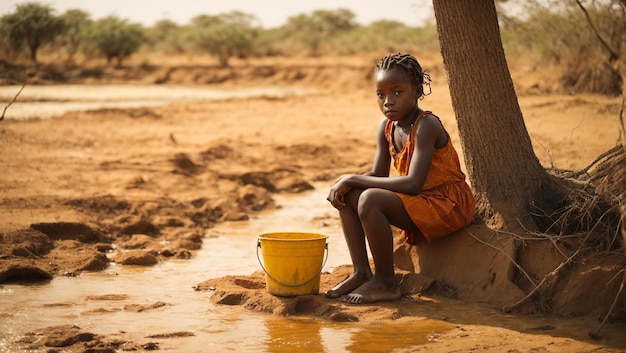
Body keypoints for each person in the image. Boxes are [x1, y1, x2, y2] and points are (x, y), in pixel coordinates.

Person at [325, 52, 475, 304]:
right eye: (380, 94)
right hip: (422, 202)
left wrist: (353, 177)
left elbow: (413, 184)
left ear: (417, 90)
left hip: (448, 204)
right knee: (349, 194)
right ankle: (362, 272)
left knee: (369, 198)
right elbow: (378, 175)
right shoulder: (386, 127)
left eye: (397, 92)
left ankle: (386, 283)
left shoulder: (426, 125)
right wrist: (348, 181)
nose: (388, 101)